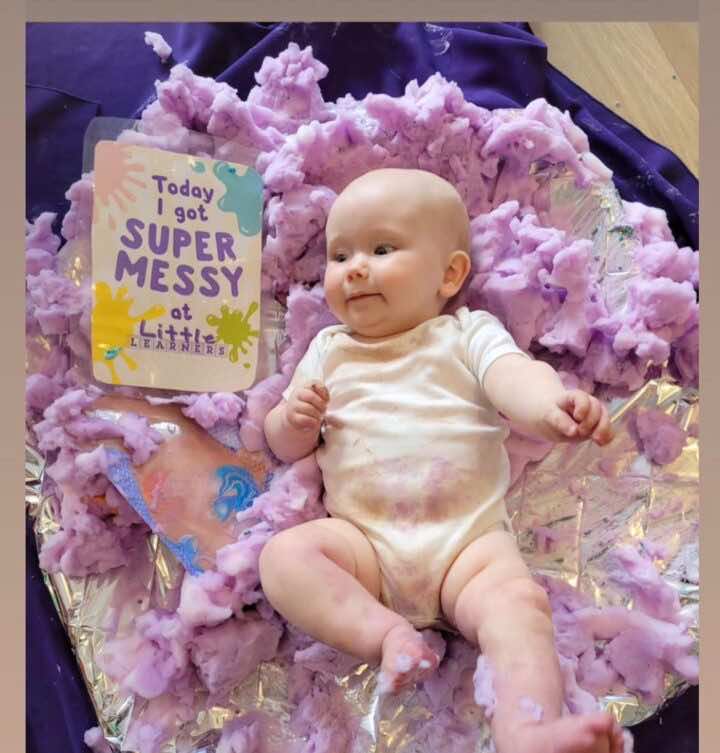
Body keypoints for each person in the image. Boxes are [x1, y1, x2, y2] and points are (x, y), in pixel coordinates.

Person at [260, 168, 624, 753]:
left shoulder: (465, 333)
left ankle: (530, 729)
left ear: (449, 274)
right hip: (364, 546)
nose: (354, 268)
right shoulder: (329, 350)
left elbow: (513, 378)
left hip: (466, 546)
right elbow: (282, 444)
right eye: (339, 255)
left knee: (519, 607)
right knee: (283, 558)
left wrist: (550, 405)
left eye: (381, 249)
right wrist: (293, 420)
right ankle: (385, 636)